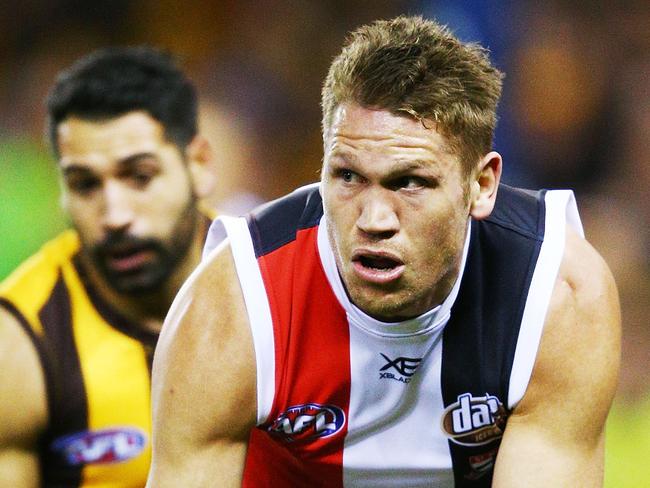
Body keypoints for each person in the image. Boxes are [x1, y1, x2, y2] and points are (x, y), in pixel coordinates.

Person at [146, 16, 620, 488]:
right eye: (348, 176)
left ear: (481, 185)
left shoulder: (554, 297)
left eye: (409, 182)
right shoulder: (233, 306)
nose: (373, 219)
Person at [0, 46, 216, 487]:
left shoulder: (277, 292)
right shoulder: (20, 346)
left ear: (198, 165)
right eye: (85, 184)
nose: (114, 214)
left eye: (139, 176)